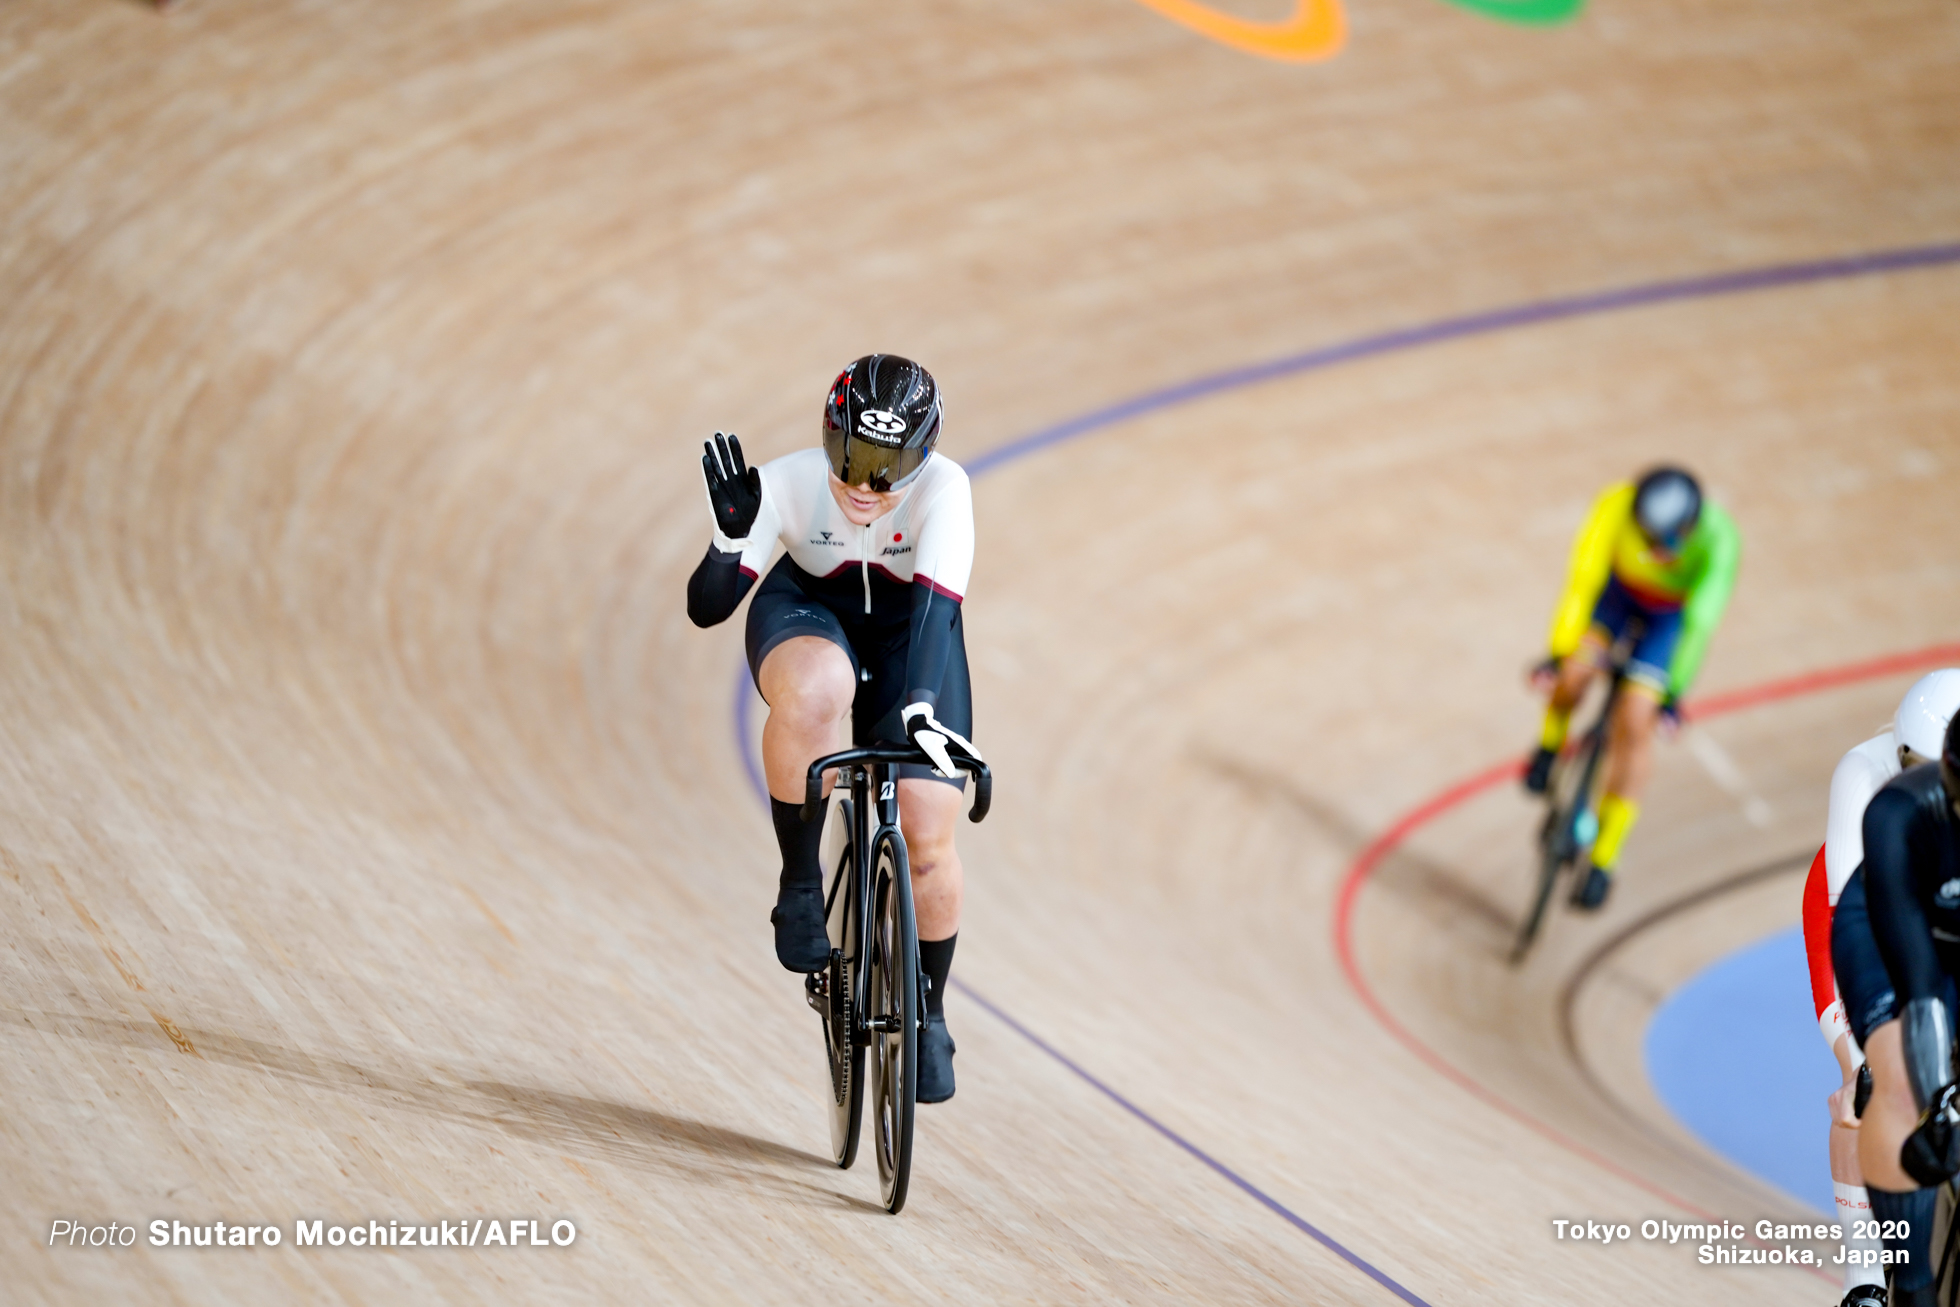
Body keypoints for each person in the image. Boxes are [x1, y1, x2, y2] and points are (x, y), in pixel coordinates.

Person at [685, 354, 979, 1103]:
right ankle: (801, 878)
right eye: (849, 458)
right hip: (808, 614)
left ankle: (932, 1012)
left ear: (924, 460)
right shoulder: (786, 482)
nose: (863, 486)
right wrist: (729, 542)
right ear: (829, 435)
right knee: (821, 688)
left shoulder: (946, 490)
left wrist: (919, 711)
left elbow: (938, 613)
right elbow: (706, 609)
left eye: (888, 471)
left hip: (912, 641)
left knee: (928, 832)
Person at [1804, 670, 1960, 1306]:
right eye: (1916, 767)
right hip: (1858, 903)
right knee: (1865, 1089)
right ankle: (1866, 1276)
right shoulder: (1865, 779)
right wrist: (1860, 1056)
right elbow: (1854, 921)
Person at [1522, 467, 1740, 908]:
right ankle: (1548, 748)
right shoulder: (1614, 505)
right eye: (1650, 537)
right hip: (1617, 598)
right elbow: (1584, 578)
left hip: (1668, 621)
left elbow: (1699, 624)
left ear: (1691, 526)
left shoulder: (1720, 539)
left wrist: (1672, 694)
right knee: (1575, 675)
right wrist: (1562, 650)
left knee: (1636, 722)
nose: (1660, 549)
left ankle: (1604, 859)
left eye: (1670, 541)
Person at [1854, 709, 1960, 1307]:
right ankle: (1906, 1280)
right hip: (1887, 928)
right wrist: (1940, 1102)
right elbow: (1920, 984)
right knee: (1896, 1076)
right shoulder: (1895, 811)